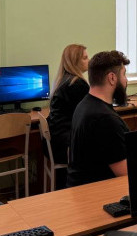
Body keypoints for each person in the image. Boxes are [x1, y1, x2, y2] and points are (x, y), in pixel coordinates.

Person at [67, 50, 130, 187]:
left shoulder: (84, 105)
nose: (126, 81)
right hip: (96, 193)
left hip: (79, 188)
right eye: (124, 74)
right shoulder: (105, 119)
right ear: (112, 78)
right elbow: (126, 173)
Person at [47, 44, 90, 188]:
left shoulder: (63, 80)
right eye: (85, 58)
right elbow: (87, 116)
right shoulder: (77, 84)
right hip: (66, 146)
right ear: (75, 61)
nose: (89, 60)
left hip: (56, 142)